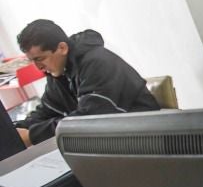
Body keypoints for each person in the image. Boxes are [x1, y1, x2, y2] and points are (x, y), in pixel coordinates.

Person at [13, 19, 160, 146]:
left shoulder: (98, 62)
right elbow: (47, 110)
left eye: (40, 59)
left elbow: (90, 118)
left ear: (62, 48)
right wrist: (16, 131)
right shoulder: (59, 72)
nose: (38, 68)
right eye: (32, 61)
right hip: (111, 140)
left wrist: (33, 135)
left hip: (146, 136)